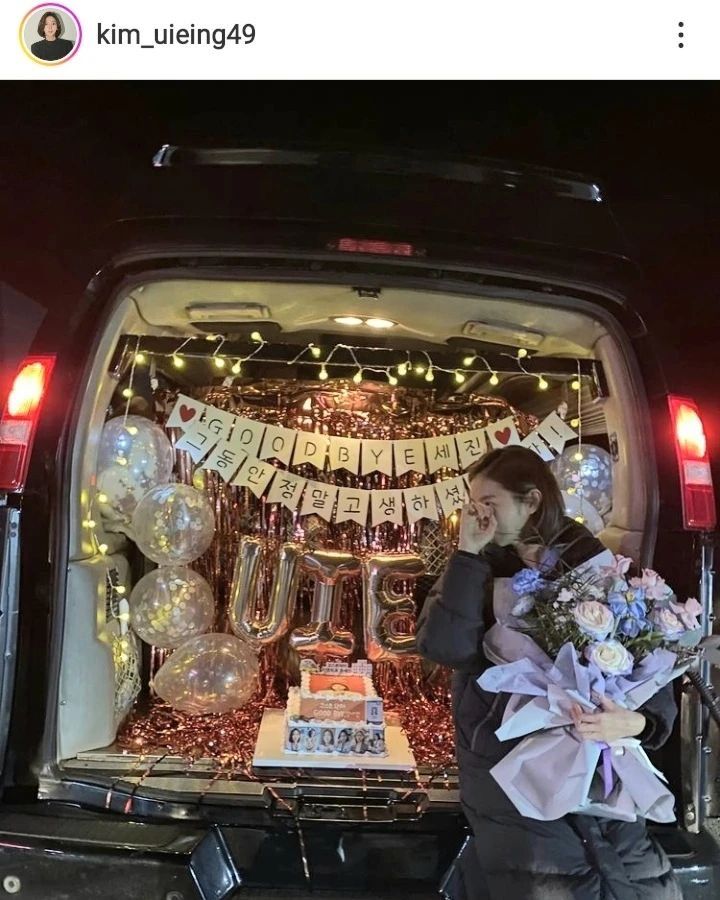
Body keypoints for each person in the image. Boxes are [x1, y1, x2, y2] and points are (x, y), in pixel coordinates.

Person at [416, 445, 680, 900]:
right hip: (507, 767)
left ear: (532, 500)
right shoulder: (478, 566)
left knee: (627, 877)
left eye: (490, 504)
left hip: (602, 765)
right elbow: (443, 646)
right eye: (473, 505)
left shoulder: (596, 566)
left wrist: (637, 722)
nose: (479, 515)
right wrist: (468, 554)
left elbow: (646, 663)